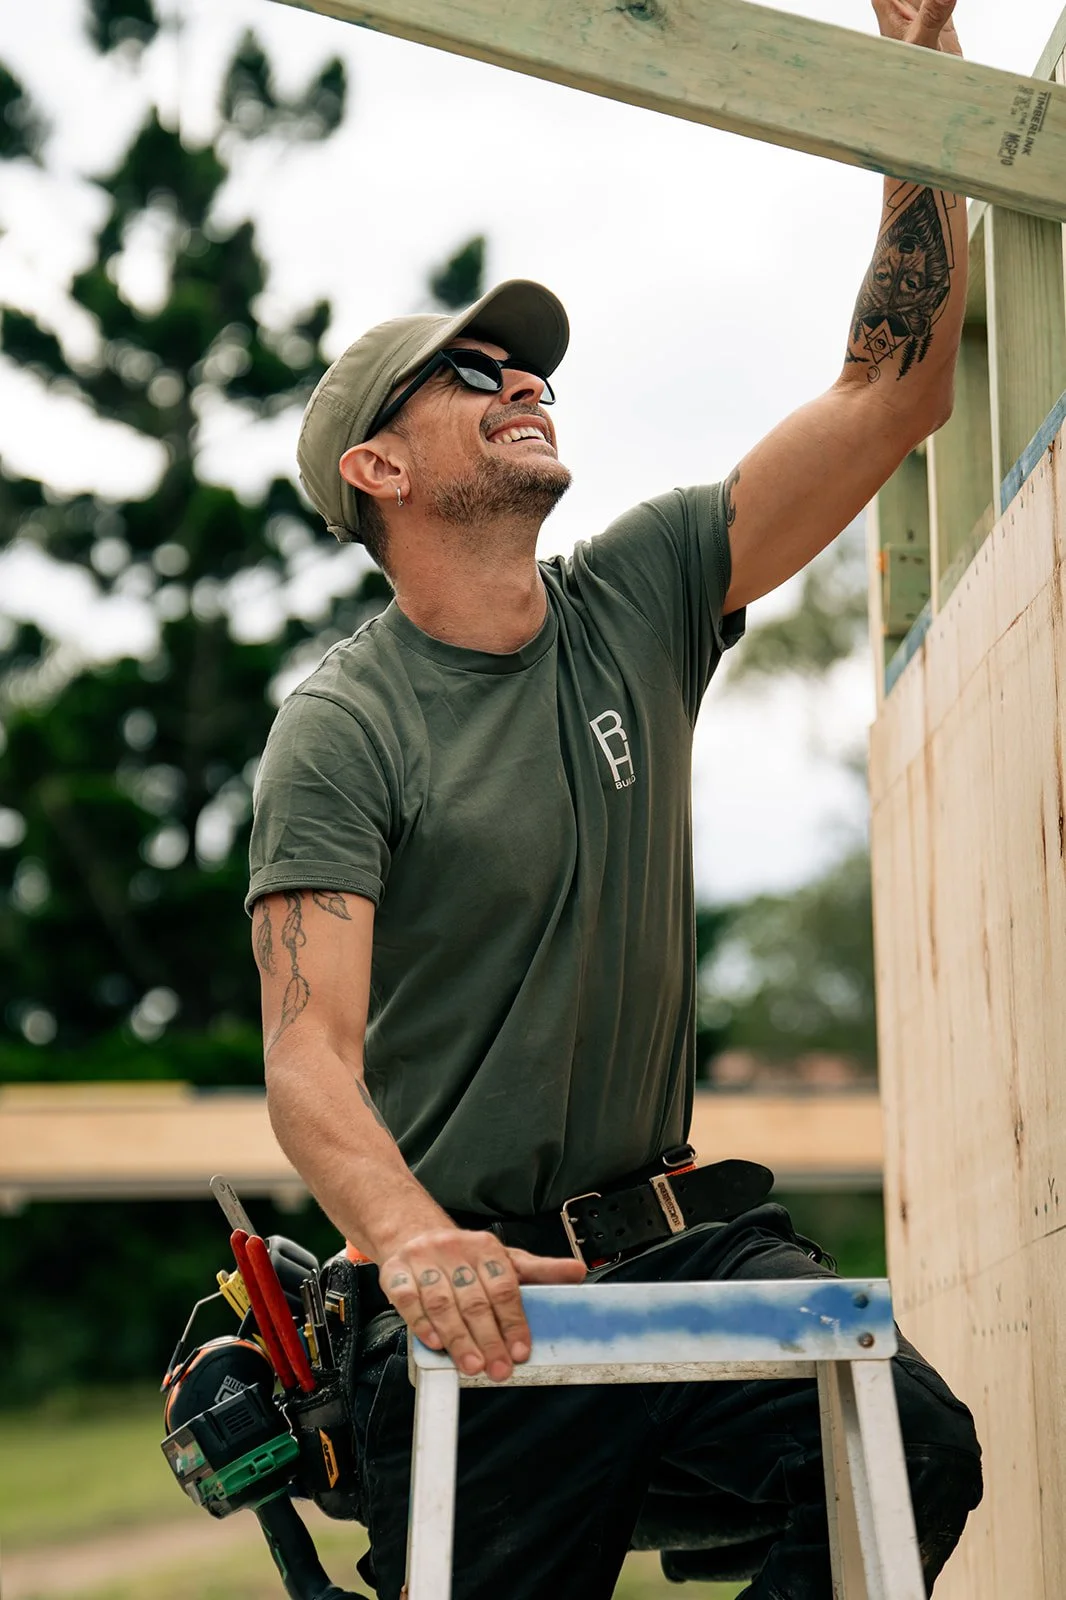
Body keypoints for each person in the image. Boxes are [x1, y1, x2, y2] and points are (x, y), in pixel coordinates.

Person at [247, 1, 983, 1593]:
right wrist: (408, 1238)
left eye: (528, 368)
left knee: (910, 1454)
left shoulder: (637, 592)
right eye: (470, 373)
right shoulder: (342, 727)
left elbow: (890, 396)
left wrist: (915, 78)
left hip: (682, 1246)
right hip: (479, 1285)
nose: (522, 382)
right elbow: (308, 1057)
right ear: (374, 469)